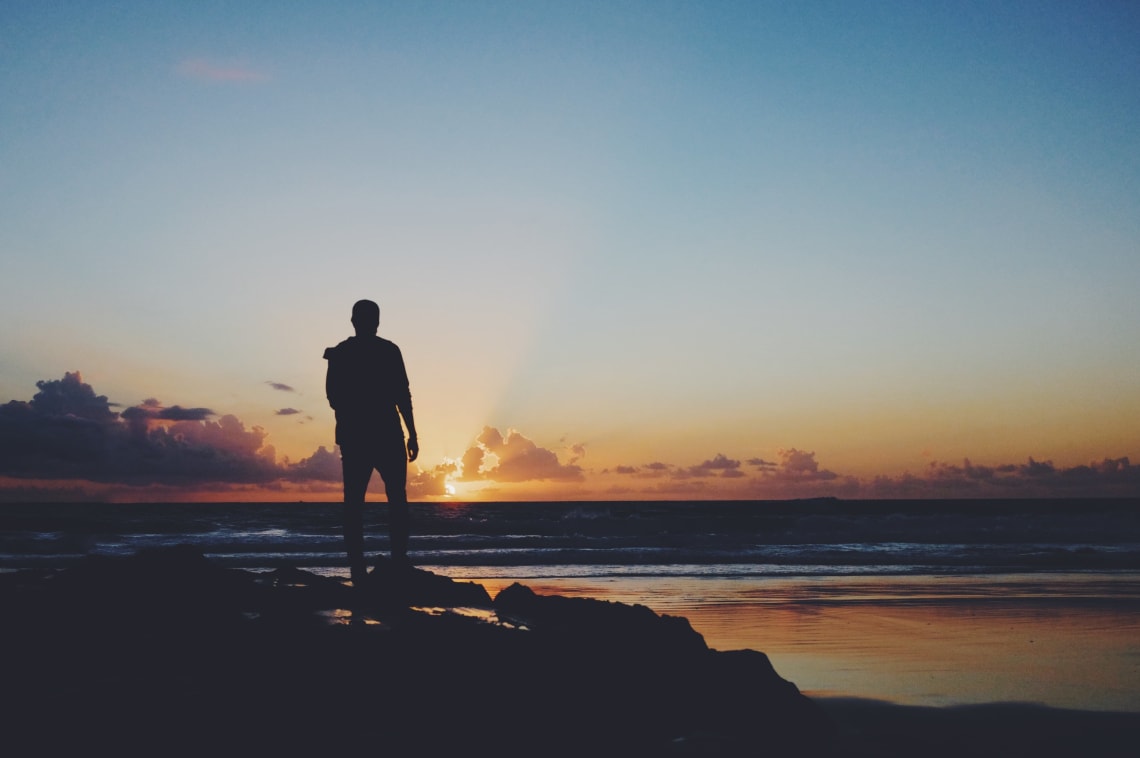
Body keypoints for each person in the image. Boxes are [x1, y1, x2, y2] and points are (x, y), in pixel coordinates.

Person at [323, 299, 419, 585]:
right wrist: (412, 433)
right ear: (373, 322)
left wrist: (412, 433)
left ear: (354, 321)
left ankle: (361, 566)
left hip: (363, 435)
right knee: (392, 501)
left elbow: (333, 398)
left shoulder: (346, 353)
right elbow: (403, 394)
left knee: (359, 503)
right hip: (381, 434)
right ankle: (391, 561)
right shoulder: (382, 351)